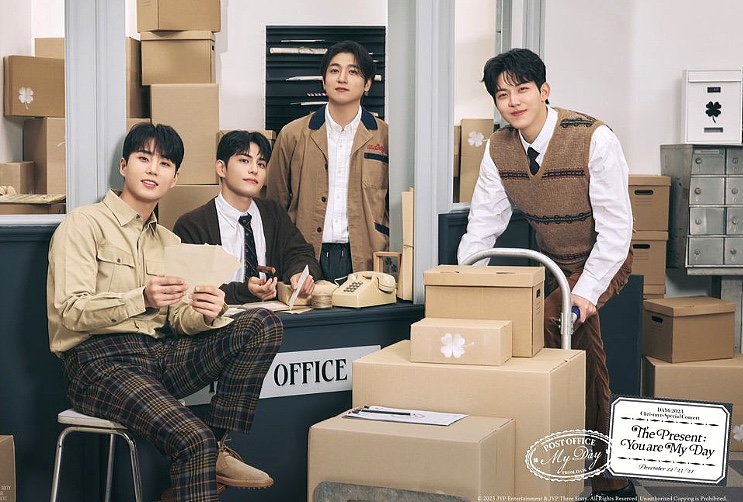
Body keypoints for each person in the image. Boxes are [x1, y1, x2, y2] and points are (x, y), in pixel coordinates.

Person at [47, 122, 282, 502]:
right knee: (192, 439)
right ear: (124, 166)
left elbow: (176, 319)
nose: (153, 169)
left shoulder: (169, 241)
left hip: (157, 357)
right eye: (144, 159)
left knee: (262, 323)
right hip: (98, 363)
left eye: (165, 163)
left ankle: (218, 445)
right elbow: (70, 311)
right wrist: (141, 297)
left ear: (175, 179)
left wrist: (207, 313)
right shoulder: (84, 224)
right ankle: (205, 451)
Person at [457, 48, 635, 502]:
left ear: (544, 91)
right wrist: (465, 280)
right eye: (502, 95)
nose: (513, 101)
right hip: (553, 263)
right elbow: (483, 224)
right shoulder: (499, 148)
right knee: (581, 354)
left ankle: (588, 471)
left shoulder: (593, 138)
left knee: (552, 325)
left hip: (602, 258)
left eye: (522, 89)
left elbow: (617, 231)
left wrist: (585, 293)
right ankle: (604, 475)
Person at [266, 39, 389, 283]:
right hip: (304, 256)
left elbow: (395, 207)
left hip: (367, 256)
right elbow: (275, 203)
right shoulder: (293, 134)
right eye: (334, 70)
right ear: (324, 81)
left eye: (353, 72)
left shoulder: (385, 137)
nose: (342, 78)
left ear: (367, 84)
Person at [173, 130, 321, 304]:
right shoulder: (192, 225)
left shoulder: (273, 213)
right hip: (218, 316)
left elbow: (301, 253)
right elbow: (192, 289)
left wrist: (299, 273)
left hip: (274, 312)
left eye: (261, 164)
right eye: (244, 160)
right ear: (221, 168)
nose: (254, 170)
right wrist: (245, 291)